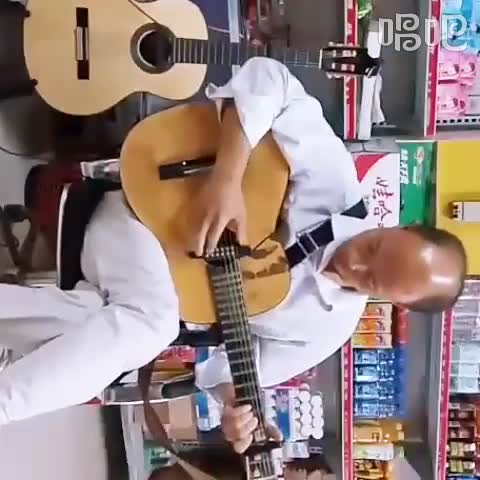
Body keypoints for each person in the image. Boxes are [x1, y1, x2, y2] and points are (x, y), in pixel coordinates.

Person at [0, 58, 466, 452]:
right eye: (374, 248)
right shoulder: (336, 183)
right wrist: (227, 178)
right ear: (401, 226)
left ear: (393, 302)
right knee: (151, 325)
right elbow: (271, 77)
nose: (355, 264)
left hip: (140, 292)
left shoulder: (328, 327)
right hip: (139, 216)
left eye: (372, 281)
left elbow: (227, 370)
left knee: (94, 325)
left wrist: (234, 405)